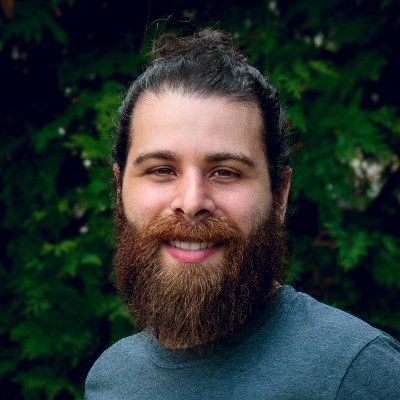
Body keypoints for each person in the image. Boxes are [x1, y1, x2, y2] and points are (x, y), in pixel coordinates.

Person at [85, 28, 400, 399]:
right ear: (119, 188)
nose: (192, 201)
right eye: (162, 170)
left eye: (225, 172)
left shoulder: (358, 373)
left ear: (279, 195)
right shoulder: (112, 378)